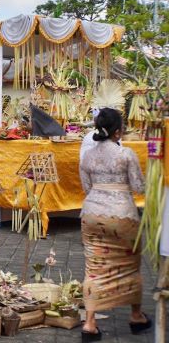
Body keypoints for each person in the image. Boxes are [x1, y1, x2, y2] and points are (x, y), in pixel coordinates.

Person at [79, 108, 150, 342]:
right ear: (118, 132)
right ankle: (136, 315)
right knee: (130, 265)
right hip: (123, 215)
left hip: (92, 215)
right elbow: (139, 186)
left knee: (94, 268)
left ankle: (90, 323)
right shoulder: (126, 154)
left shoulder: (87, 156)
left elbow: (87, 188)